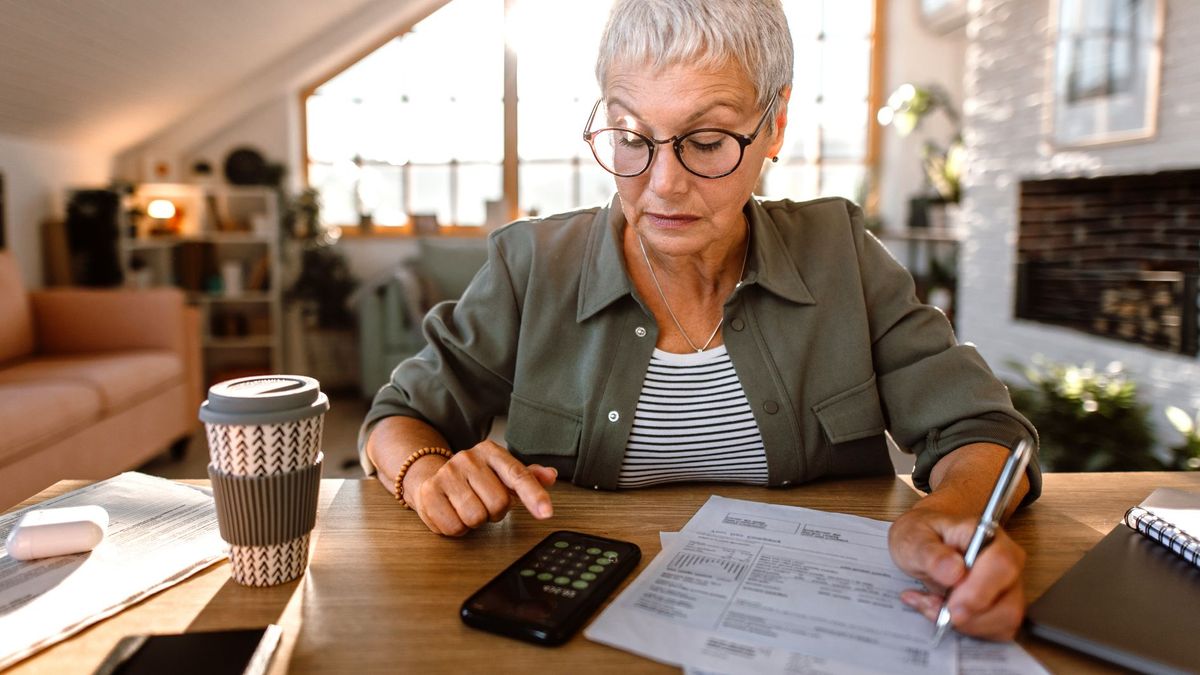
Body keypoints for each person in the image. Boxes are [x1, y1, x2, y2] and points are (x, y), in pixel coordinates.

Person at [361, 0, 1039, 641]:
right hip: (579, 628)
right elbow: (397, 415)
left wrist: (954, 510)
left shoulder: (841, 255)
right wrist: (425, 473)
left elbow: (981, 427)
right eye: (631, 137)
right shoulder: (532, 264)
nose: (661, 184)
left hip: (813, 628)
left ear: (774, 126)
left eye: (707, 142)